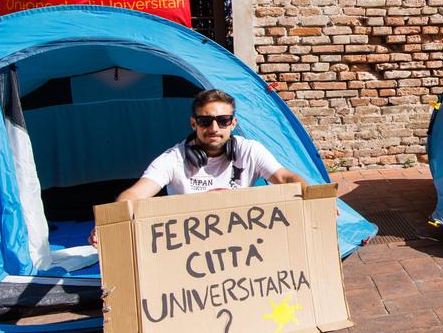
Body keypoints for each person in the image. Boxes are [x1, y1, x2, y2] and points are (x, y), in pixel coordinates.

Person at [90, 89, 306, 245]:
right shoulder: (173, 158)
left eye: (222, 121)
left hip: (241, 241)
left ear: (233, 123)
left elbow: (285, 178)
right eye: (205, 121)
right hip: (190, 246)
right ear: (194, 123)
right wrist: (110, 224)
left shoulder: (250, 150)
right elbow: (136, 193)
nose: (214, 128)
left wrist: (311, 197)